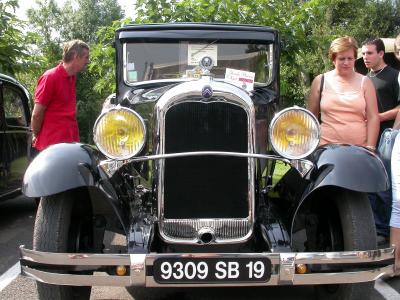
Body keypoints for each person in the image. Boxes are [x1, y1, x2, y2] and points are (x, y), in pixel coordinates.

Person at [308, 36, 379, 149]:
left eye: (350, 58)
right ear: (333, 59)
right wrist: (309, 146)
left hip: (359, 148)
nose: (346, 62)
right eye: (342, 58)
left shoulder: (365, 82)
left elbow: (373, 117)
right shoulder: (320, 81)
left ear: (355, 58)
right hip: (326, 148)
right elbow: (310, 117)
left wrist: (370, 146)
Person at [361, 38, 400, 241]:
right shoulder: (366, 78)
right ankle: (375, 228)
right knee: (370, 184)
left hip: (388, 139)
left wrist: (378, 117)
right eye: (364, 53)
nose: (365, 57)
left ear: (381, 54)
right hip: (368, 137)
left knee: (386, 185)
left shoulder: (394, 76)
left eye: (369, 53)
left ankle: (385, 230)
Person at [31, 39, 90, 151]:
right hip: (52, 147)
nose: (88, 61)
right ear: (76, 56)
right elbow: (36, 114)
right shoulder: (50, 77)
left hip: (69, 144)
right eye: (86, 57)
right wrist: (36, 134)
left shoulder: (72, 77)